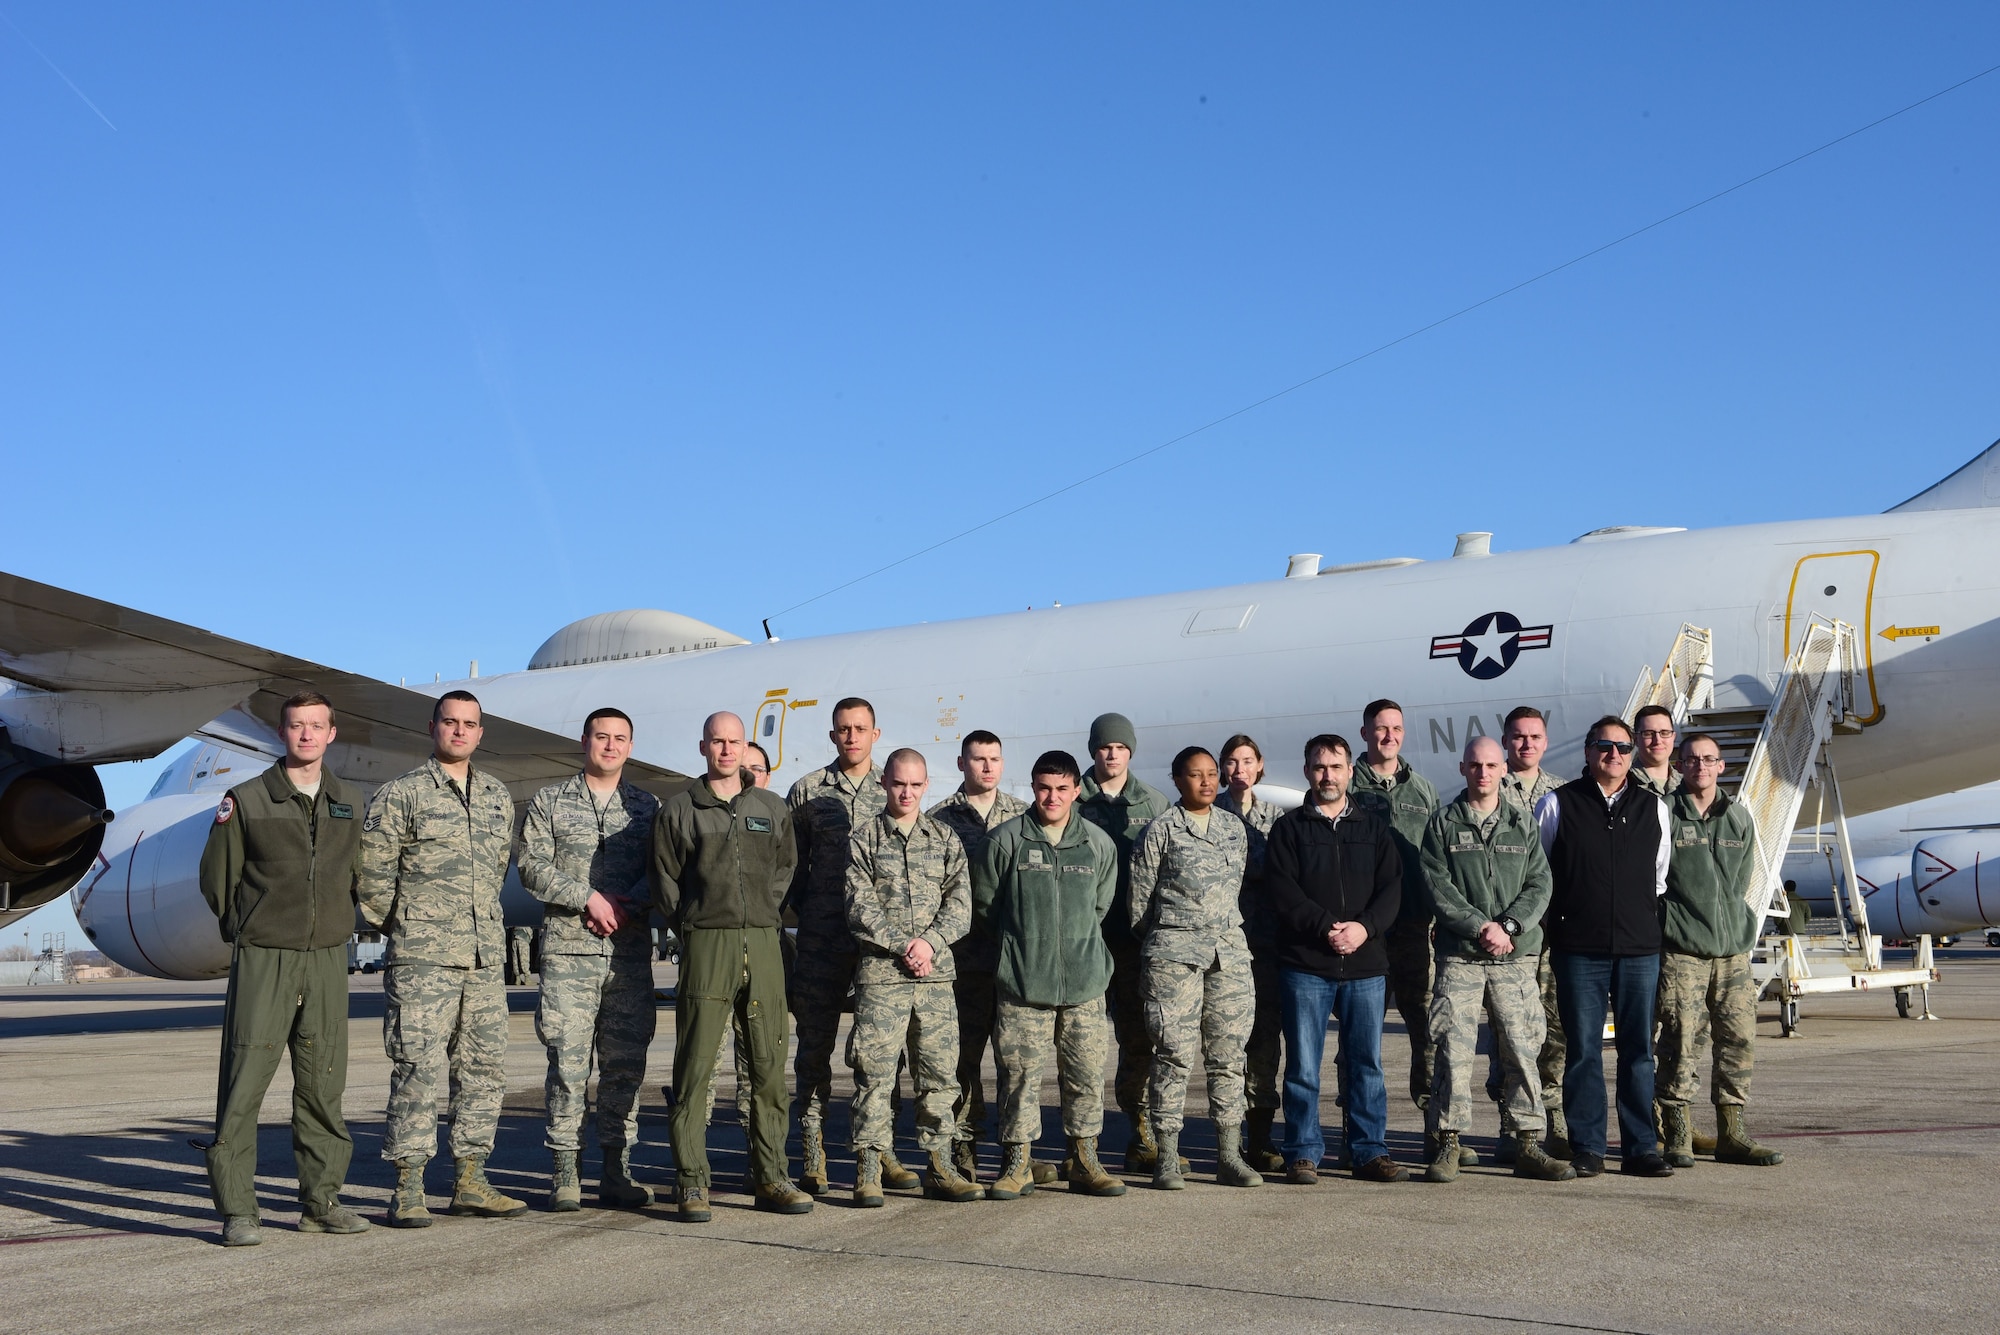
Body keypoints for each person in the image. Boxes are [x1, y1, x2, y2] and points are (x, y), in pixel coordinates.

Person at [196, 690, 369, 1246]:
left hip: (325, 957)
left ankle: (322, 1201)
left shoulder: (349, 800)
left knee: (323, 1084)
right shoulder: (246, 800)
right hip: (265, 956)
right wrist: (248, 930)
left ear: (331, 733)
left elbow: (355, 874)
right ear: (282, 732)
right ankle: (239, 1211)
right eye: (297, 726)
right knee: (245, 1080)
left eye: (316, 726)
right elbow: (217, 879)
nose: (306, 735)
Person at [358, 690, 527, 1226]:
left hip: (482, 959)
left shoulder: (498, 797)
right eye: (450, 722)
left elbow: (498, 870)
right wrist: (411, 927)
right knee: (417, 1068)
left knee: (483, 1070)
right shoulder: (400, 795)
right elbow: (372, 877)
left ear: (481, 733)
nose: (459, 731)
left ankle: (470, 1180)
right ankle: (408, 1186)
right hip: (422, 960)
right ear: (433, 728)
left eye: (469, 724)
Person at [652, 711, 814, 1220]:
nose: (726, 750)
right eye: (717, 742)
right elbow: (666, 881)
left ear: (746, 748)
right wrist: (697, 926)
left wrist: (763, 913)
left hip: (764, 942)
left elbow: (786, 868)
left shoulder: (770, 806)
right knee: (696, 1067)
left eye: (735, 742)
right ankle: (691, 1182)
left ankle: (772, 1177)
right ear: (703, 747)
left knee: (768, 1066)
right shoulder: (680, 810)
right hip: (708, 942)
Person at [518, 707, 660, 1212]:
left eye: (621, 738)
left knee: (625, 1066)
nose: (611, 746)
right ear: (585, 741)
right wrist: (587, 897)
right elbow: (531, 865)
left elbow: (663, 870)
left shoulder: (646, 807)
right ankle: (565, 1172)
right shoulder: (551, 801)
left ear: (630, 745)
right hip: (568, 953)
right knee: (567, 1065)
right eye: (602, 737)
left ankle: (617, 1170)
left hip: (627, 955)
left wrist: (627, 902)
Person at [1418, 738, 1573, 1183]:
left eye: (1491, 765)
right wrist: (1477, 927)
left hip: (1514, 957)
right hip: (1461, 958)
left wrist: (1508, 927)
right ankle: (1448, 1142)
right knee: (1452, 1051)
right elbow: (1437, 885)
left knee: (1523, 1050)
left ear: (1502, 768)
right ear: (1463, 767)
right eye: (1475, 765)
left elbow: (1540, 884)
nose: (1483, 773)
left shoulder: (1521, 823)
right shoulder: (1442, 823)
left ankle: (1526, 1142)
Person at [974, 750, 1126, 1200]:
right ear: (1033, 788)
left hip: (1084, 983)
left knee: (1084, 1074)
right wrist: (1019, 951)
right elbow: (987, 907)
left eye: (1062, 789)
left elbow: (1100, 907)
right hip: (1024, 983)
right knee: (1020, 1076)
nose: (1052, 797)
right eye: (1044, 788)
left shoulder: (1097, 844)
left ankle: (1084, 1158)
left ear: (1077, 790)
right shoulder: (1006, 841)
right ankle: (1017, 1162)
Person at [1533, 715, 1675, 1178]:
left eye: (1622, 747)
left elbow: (1658, 879)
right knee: (1583, 1051)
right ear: (1588, 752)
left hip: (1638, 949)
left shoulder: (1654, 808)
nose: (1613, 755)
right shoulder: (1557, 805)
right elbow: (1543, 875)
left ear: (1633, 754)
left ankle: (1640, 1148)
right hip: (1579, 949)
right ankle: (1588, 1146)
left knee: (1638, 1050)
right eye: (1603, 746)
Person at [1264, 734, 1407, 1184]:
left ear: (1350, 770)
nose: (1328, 775)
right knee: (1304, 1067)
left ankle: (1368, 1151)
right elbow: (1284, 893)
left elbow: (1392, 889)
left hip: (1366, 967)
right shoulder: (1288, 831)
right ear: (1307, 771)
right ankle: (1303, 1151)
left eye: (1336, 767)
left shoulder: (1373, 828)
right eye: (1319, 767)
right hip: (1307, 965)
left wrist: (1364, 928)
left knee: (1367, 1064)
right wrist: (1327, 927)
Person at [845, 749, 983, 1205]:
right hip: (882, 978)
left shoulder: (944, 839)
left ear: (926, 786)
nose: (907, 792)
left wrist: (930, 943)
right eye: (899, 783)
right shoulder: (863, 839)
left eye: (915, 784)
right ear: (885, 783)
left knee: (939, 1075)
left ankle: (940, 1166)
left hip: (935, 978)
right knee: (875, 1076)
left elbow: (960, 904)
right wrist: (902, 944)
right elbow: (857, 903)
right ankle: (868, 1168)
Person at [1129, 746, 1262, 1189]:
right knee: (1173, 1056)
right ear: (1177, 779)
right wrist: (1172, 937)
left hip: (1228, 957)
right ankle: (1167, 1155)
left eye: (1211, 774)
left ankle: (1229, 1155)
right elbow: (1138, 907)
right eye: (1195, 775)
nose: (1206, 782)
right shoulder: (1160, 831)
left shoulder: (1233, 828)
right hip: (1174, 959)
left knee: (1228, 1058)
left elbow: (1235, 887)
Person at [1657, 732, 1783, 1168]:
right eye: (1692, 760)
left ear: (1721, 766)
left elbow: (1741, 882)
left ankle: (1733, 1133)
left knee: (1738, 1040)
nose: (1700, 767)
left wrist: (1737, 928)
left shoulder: (1739, 818)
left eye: (1709, 760)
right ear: (1679, 765)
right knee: (1680, 1042)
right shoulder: (1664, 814)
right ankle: (1676, 1134)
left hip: (1731, 953)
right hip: (1683, 952)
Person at [785, 698, 894, 1196]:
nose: (851, 736)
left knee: (882, 1051)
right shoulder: (807, 791)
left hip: (876, 942)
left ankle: (881, 1148)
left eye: (860, 728)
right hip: (823, 937)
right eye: (843, 729)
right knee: (814, 1047)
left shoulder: (891, 790)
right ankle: (813, 1148)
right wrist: (807, 915)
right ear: (833, 735)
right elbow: (789, 867)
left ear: (875, 733)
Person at [926, 730, 1032, 1185]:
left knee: (1016, 1061)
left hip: (1013, 960)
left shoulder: (1024, 818)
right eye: (977, 759)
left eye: (994, 759)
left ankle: (1016, 1154)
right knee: (962, 1061)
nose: (986, 767)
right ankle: (964, 1149)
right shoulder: (940, 820)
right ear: (961, 763)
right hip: (963, 962)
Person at [1076, 711, 1173, 1174]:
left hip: (1135, 945)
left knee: (1140, 1040)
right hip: (1084, 944)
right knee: (1083, 1045)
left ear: (1130, 750)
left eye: (1119, 747)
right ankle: (1082, 1142)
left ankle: (1142, 1131)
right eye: (1103, 746)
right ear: (1092, 750)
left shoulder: (1153, 803)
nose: (1111, 754)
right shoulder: (1070, 799)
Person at [1346, 699, 1445, 1131]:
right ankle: (1358, 1128)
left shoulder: (1422, 790)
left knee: (1426, 1031)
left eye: (1396, 729)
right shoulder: (1348, 786)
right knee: (1358, 1035)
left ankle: (1435, 1128)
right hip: (1365, 931)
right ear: (1365, 733)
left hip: (1413, 928)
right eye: (1380, 729)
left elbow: (1437, 858)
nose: (1389, 736)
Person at [1493, 705, 1570, 1161]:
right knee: (1508, 1032)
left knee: (1554, 1027)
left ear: (1545, 741)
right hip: (1505, 939)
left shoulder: (1562, 794)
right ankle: (1510, 1118)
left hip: (1550, 933)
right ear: (1506, 741)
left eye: (1534, 737)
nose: (1526, 744)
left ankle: (1553, 1112)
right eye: (1518, 737)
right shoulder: (1487, 790)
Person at [1218, 734, 1286, 1174]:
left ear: (1259, 765)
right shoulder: (1208, 813)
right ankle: (1226, 1139)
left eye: (1247, 761)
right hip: (1222, 946)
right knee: (1224, 1045)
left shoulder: (1277, 818)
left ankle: (1260, 1137)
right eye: (1231, 761)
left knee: (1263, 1044)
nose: (1239, 769)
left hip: (1265, 946)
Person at [1630, 705, 1682, 799]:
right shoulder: (1623, 785)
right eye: (1649, 734)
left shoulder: (1687, 785)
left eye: (1664, 733)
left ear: (1673, 737)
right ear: (1636, 739)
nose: (1657, 740)